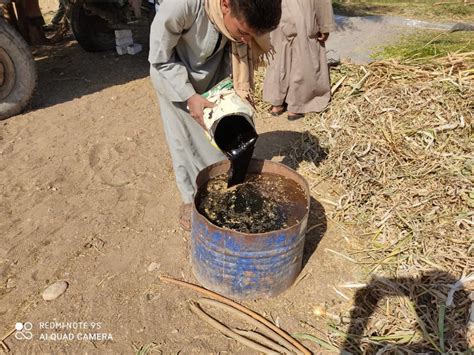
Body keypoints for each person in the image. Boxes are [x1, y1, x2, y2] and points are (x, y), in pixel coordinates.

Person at [148, 0, 282, 230]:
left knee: (225, 136)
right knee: (185, 143)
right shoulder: (181, 6)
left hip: (218, 71)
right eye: (243, 32)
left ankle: (225, 185)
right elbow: (159, 59)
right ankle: (190, 199)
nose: (247, 41)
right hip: (177, 79)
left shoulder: (241, 20)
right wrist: (189, 96)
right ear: (225, 4)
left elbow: (244, 39)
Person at [263, 0, 336, 120]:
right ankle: (296, 106)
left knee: (279, 55)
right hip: (302, 10)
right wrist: (325, 25)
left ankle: (277, 103)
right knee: (303, 57)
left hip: (277, 9)